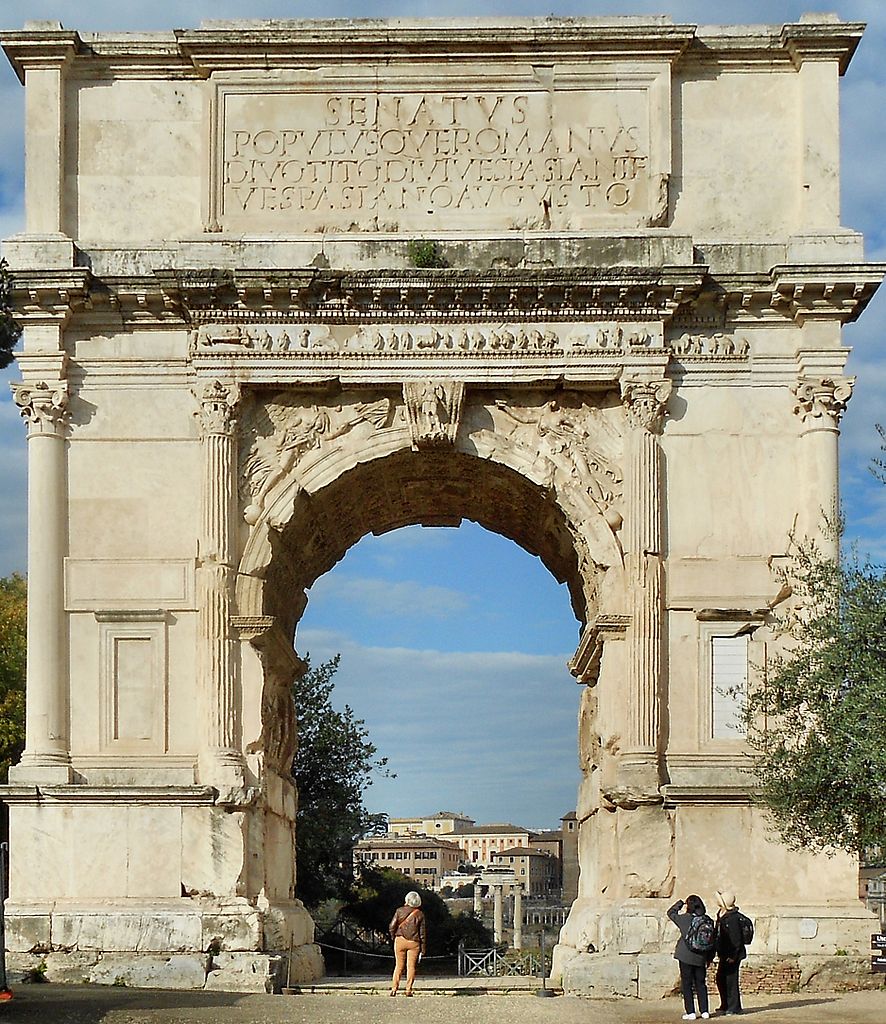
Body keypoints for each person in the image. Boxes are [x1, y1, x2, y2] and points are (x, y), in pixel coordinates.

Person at [667, 894, 712, 1021]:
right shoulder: (707, 920)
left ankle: (691, 1012)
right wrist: (709, 957)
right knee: (701, 983)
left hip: (685, 955)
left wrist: (680, 903)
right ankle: (704, 1011)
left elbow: (670, 913)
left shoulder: (684, 919)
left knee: (687, 984)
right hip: (701, 956)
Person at [389, 891, 426, 997]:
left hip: (400, 940)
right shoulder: (420, 914)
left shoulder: (399, 911)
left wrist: (394, 937)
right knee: (411, 967)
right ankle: (408, 989)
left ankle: (394, 989)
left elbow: (392, 926)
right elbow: (422, 933)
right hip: (414, 942)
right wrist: (423, 949)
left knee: (398, 966)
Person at [714, 889, 746, 1015]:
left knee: (731, 981)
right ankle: (725, 1004)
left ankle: (734, 1007)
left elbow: (737, 940)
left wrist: (733, 956)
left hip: (732, 955)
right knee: (721, 978)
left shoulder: (732, 919)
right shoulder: (723, 915)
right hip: (724, 953)